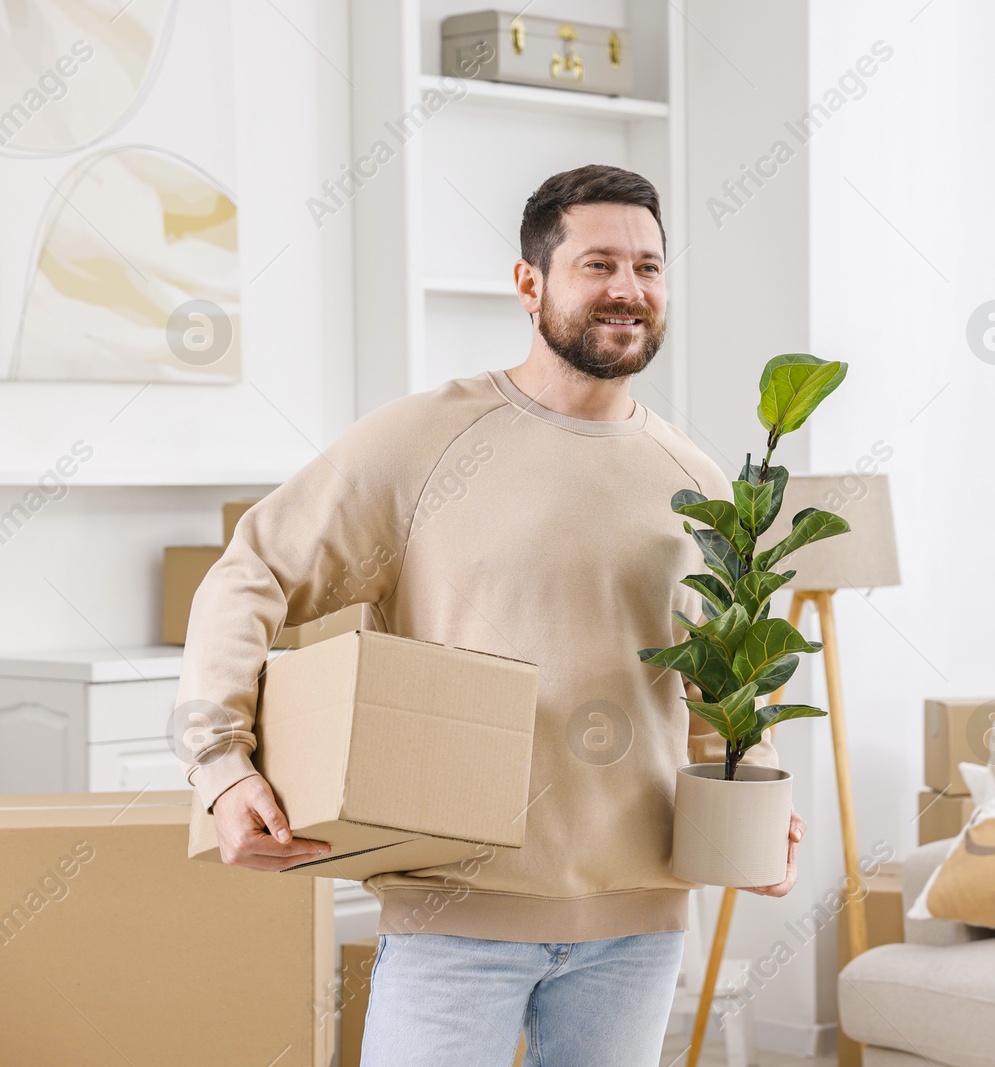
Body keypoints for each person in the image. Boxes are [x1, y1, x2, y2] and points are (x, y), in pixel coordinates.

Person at [175, 164, 804, 1066]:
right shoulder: (426, 440)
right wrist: (220, 766)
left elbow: (727, 698)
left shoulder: (702, 487)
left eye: (650, 267)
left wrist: (763, 799)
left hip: (638, 927)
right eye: (598, 264)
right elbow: (251, 570)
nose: (628, 289)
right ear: (529, 283)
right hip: (451, 920)